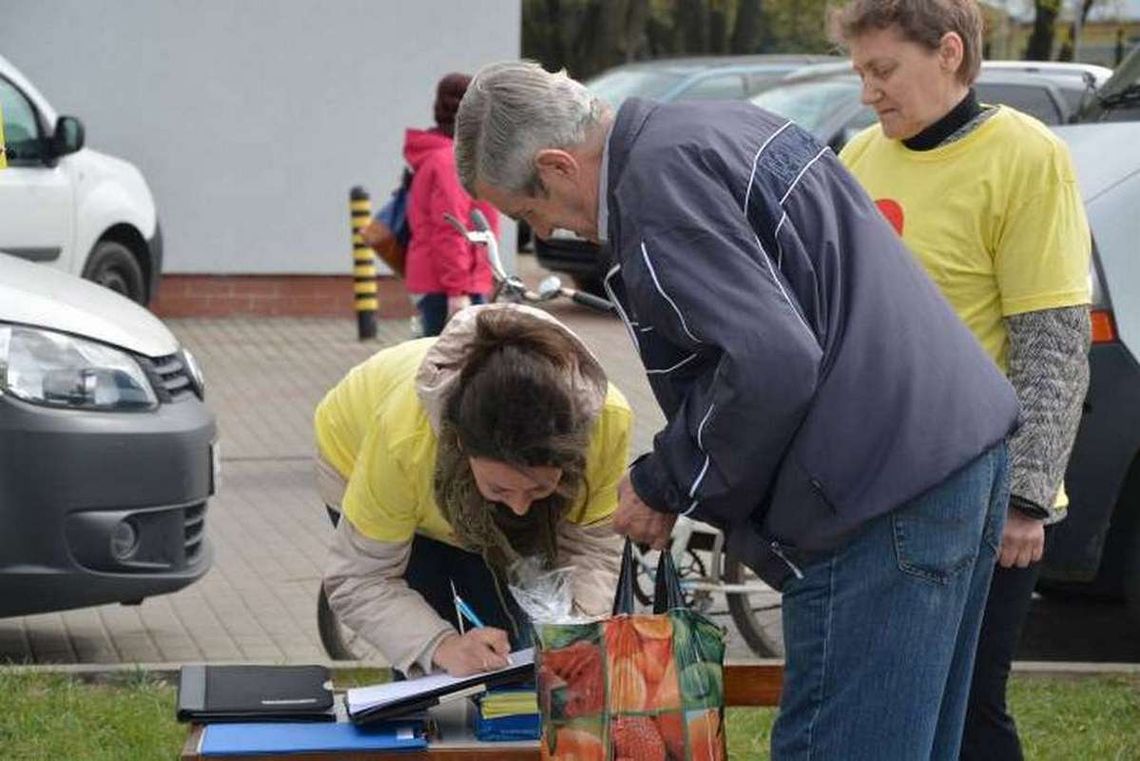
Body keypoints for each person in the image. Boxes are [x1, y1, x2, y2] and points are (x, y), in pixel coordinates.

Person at [456, 61, 1019, 760]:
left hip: (876, 492)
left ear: (557, 164)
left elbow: (770, 360)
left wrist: (665, 480)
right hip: (953, 453)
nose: (543, 229)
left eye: (527, 212)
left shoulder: (654, 190)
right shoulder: (716, 128)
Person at [832, 3, 1092, 759]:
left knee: (970, 712)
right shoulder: (858, 157)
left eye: (883, 70)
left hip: (984, 504)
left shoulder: (1027, 156)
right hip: (879, 493)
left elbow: (1052, 346)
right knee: (894, 711)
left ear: (949, 52)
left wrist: (1025, 498)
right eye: (860, 73)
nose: (868, 92)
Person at [315, 303, 631, 677]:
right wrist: (440, 645)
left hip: (428, 470)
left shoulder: (605, 423)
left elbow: (592, 546)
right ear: (462, 447)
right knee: (440, 661)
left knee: (515, 651)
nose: (517, 509)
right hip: (359, 459)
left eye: (538, 489)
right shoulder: (404, 441)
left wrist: (578, 628)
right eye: (500, 490)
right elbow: (361, 578)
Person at [381, 72, 499, 337]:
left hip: (446, 281)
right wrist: (457, 292)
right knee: (450, 368)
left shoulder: (441, 155)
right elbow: (450, 229)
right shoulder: (451, 162)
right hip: (451, 286)